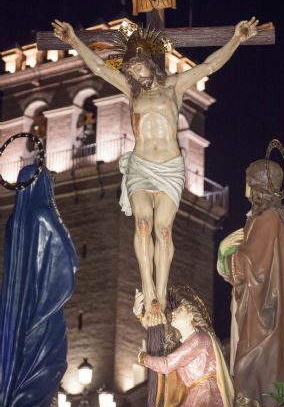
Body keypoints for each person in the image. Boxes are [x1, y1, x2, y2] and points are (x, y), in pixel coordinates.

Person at [52, 17, 258, 324]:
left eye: (139, 67)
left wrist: (237, 39)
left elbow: (209, 66)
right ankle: (148, 289)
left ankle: (161, 293)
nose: (135, 73)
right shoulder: (132, 92)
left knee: (163, 230)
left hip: (171, 169)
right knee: (143, 226)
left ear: (151, 64)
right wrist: (73, 41)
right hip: (141, 166)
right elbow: (97, 67)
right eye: (131, 70)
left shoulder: (174, 87)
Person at [217, 159, 284, 407]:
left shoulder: (268, 216)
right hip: (259, 301)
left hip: (263, 307)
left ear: (259, 183)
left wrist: (226, 252)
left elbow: (254, 263)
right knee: (249, 365)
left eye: (249, 180)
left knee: (250, 364)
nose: (246, 186)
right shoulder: (262, 217)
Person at [0, 165, 77, 407]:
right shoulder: (43, 213)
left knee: (22, 360)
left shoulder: (14, 221)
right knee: (47, 363)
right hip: (43, 310)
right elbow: (68, 260)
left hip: (15, 315)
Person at [134, 286, 234, 407]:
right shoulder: (186, 342)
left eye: (180, 310)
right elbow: (160, 335)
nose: (174, 313)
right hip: (194, 397)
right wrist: (140, 314)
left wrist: (143, 358)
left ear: (191, 316)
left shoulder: (198, 340)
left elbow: (167, 364)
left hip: (206, 398)